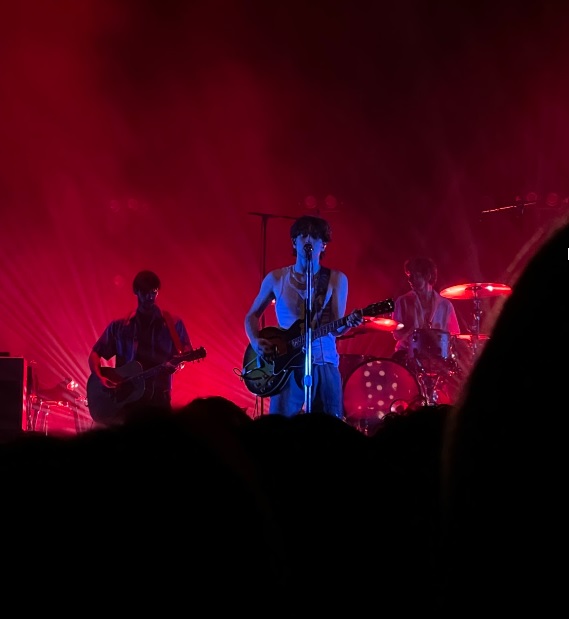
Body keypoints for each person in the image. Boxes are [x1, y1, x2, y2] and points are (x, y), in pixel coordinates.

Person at [244, 215, 363, 418]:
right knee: (280, 429)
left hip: (322, 361)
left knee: (326, 429)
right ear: (294, 241)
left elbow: (336, 327)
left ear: (324, 245)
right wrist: (255, 342)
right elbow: (252, 316)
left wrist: (349, 323)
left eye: (315, 237)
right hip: (285, 363)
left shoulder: (336, 279)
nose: (309, 240)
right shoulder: (276, 278)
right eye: (303, 235)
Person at [88, 269, 194, 425]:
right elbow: (95, 354)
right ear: (135, 291)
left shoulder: (173, 324)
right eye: (145, 292)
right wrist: (100, 377)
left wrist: (179, 362)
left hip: (159, 399)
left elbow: (185, 351)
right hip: (127, 401)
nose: (150, 297)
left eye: (154, 292)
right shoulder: (119, 327)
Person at [391, 256, 461, 404]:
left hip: (437, 359)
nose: (410, 280)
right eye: (409, 276)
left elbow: (454, 335)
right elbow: (396, 334)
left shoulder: (445, 305)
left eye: (414, 276)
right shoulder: (402, 301)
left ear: (427, 276)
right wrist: (412, 333)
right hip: (408, 355)